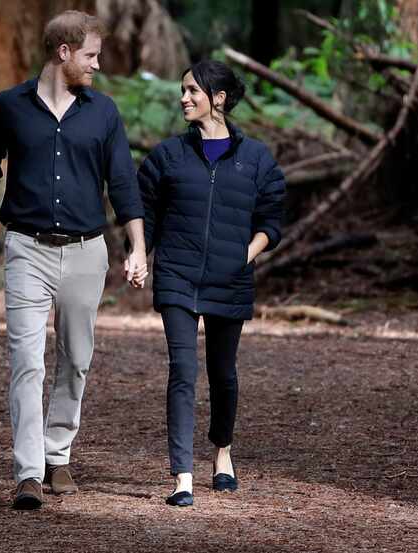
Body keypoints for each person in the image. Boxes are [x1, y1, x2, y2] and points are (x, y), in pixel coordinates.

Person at [0, 10, 147, 510]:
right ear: (63, 53)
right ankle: (27, 473)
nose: (98, 65)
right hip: (27, 249)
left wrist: (137, 246)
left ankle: (56, 454)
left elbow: (123, 182)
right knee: (25, 362)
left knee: (76, 359)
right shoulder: (8, 108)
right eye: (91, 55)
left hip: (87, 252)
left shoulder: (102, 112)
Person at [137, 60, 285, 506]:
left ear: (218, 98)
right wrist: (140, 253)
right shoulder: (167, 156)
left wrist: (242, 255)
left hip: (230, 279)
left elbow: (271, 220)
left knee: (223, 374)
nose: (183, 98)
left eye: (192, 91)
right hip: (177, 276)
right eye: (182, 90)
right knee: (182, 372)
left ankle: (222, 451)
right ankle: (182, 475)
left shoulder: (256, 158)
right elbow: (142, 212)